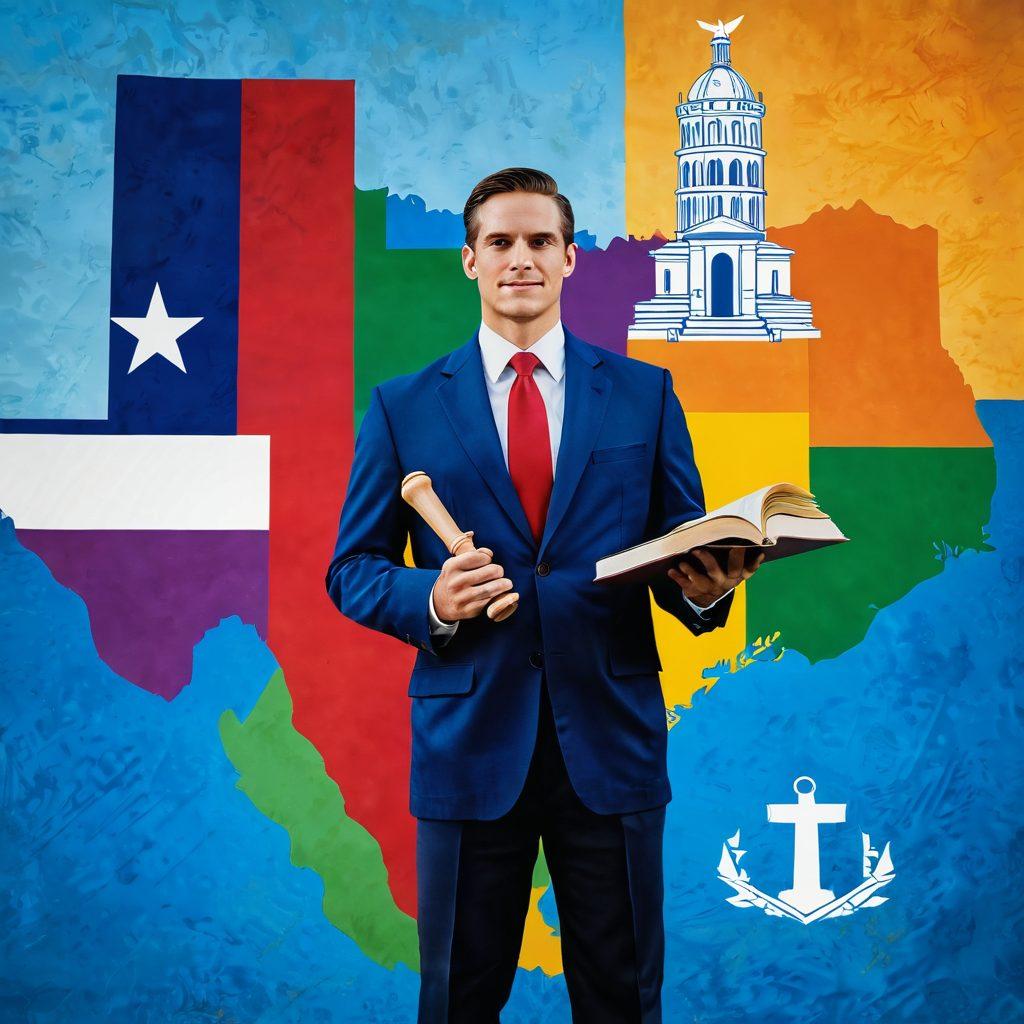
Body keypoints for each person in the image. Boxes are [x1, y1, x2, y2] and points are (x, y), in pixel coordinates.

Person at [325, 167, 765, 1023]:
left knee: (624, 996)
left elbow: (682, 551)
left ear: (570, 258)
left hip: (611, 743)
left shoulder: (645, 394)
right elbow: (353, 570)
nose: (519, 258)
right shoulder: (402, 407)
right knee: (457, 997)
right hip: (470, 746)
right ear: (468, 261)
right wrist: (434, 600)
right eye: (500, 242)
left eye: (538, 242)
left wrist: (709, 593)